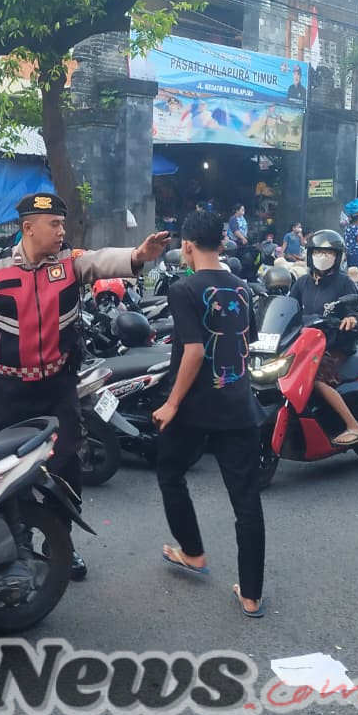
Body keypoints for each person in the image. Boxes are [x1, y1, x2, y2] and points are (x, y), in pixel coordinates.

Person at [0, 193, 170, 580]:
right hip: (9, 393)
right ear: (28, 227)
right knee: (2, 472)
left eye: (62, 223)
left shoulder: (70, 265)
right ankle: (14, 541)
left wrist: (139, 255)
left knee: (65, 467)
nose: (61, 231)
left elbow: (102, 259)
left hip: (58, 389)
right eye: (54, 224)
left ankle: (62, 542)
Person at [150, 210, 268, 618]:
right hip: (238, 406)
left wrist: (172, 403)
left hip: (196, 409)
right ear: (221, 242)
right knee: (246, 503)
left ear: (186, 245)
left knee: (169, 472)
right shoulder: (244, 288)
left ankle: (194, 554)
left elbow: (195, 351)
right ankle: (251, 595)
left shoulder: (184, 289)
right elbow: (246, 342)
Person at [288, 230, 358, 446]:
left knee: (315, 380)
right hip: (304, 346)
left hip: (335, 345)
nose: (323, 256)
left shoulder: (344, 283)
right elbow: (288, 309)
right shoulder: (302, 283)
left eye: (328, 252)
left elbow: (356, 313)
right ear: (310, 254)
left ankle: (354, 426)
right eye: (319, 251)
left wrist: (351, 319)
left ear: (337, 256)